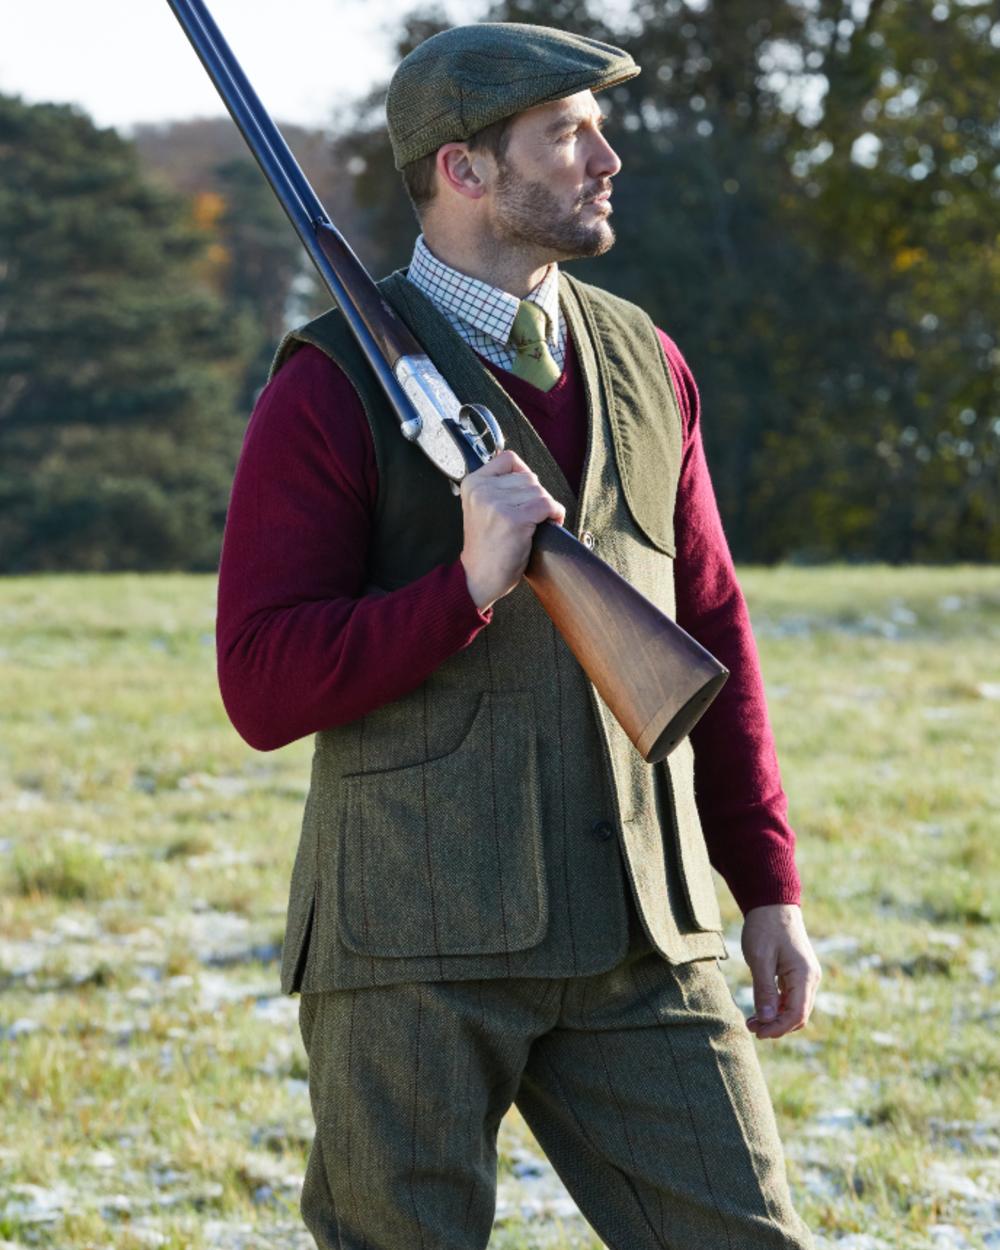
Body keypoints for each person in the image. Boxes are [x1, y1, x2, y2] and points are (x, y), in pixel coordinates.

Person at [215, 21, 822, 1250]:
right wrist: (462, 588)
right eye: (566, 134)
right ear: (464, 169)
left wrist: (765, 883)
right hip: (411, 938)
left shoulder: (646, 357)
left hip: (641, 930)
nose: (606, 159)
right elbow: (262, 684)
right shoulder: (328, 382)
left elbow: (709, 626)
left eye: (596, 130)